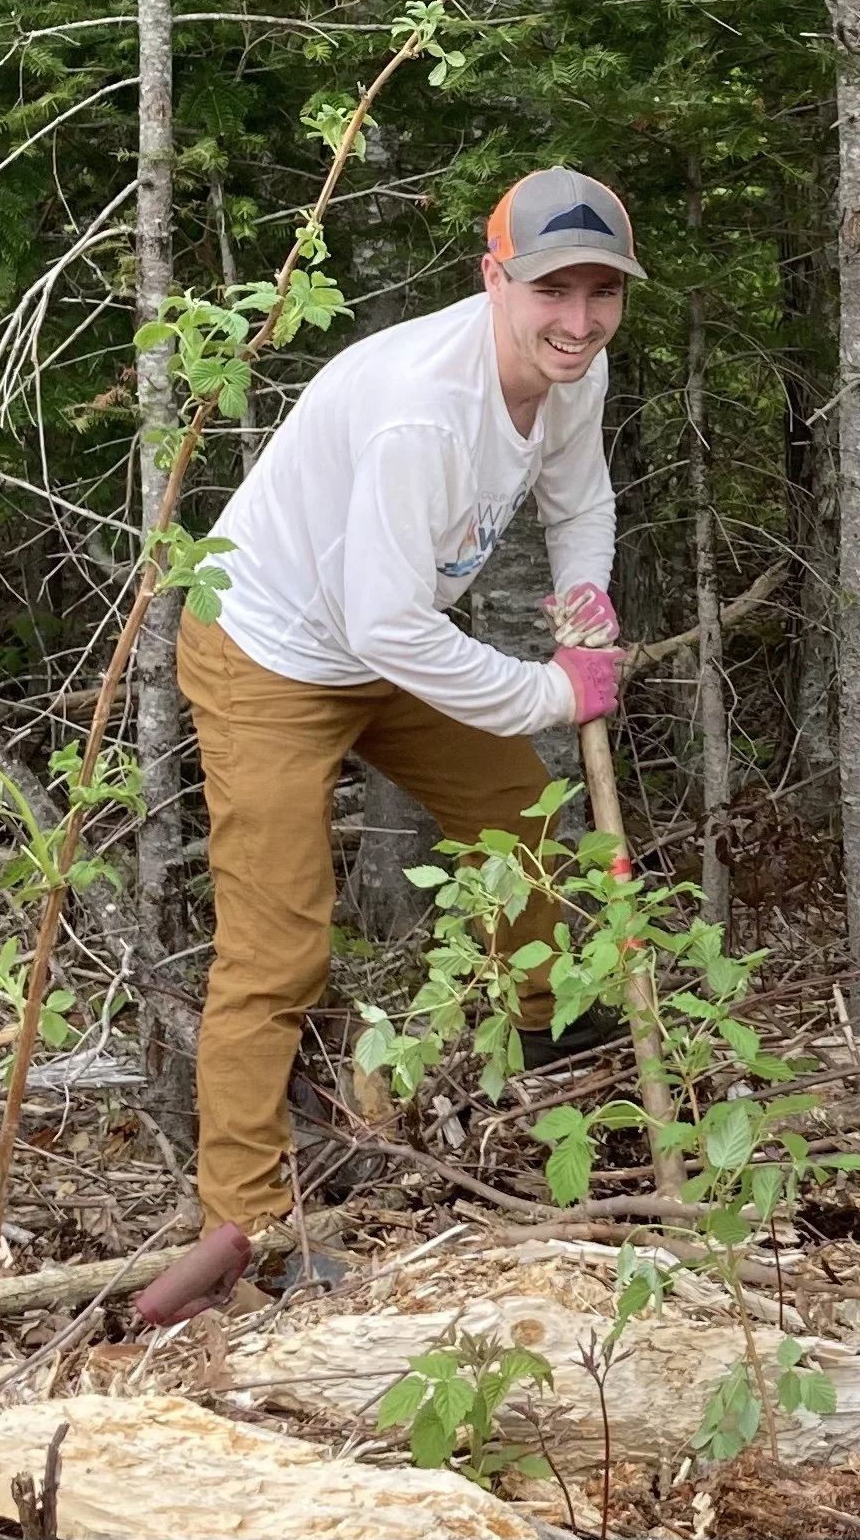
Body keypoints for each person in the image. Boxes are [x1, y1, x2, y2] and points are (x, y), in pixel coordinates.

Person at [175, 167, 642, 1236]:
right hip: (273, 653)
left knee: (523, 823)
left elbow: (582, 497)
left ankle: (556, 1044)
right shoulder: (419, 416)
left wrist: (585, 599)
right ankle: (242, 1224)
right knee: (279, 942)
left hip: (388, 637)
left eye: (601, 293)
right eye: (552, 292)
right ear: (496, 279)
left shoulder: (574, 368)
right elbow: (383, 625)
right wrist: (548, 689)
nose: (577, 321)